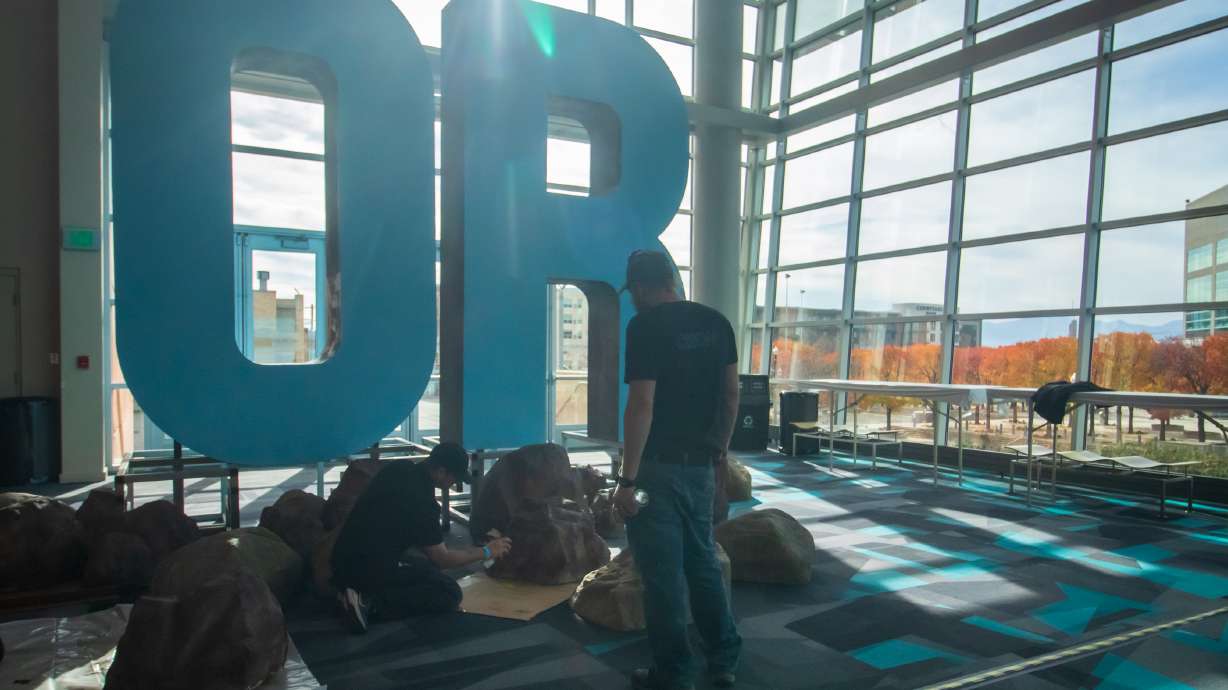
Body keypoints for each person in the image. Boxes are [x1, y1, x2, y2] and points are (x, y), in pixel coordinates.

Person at [614, 251, 743, 690]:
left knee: (662, 576)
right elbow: (731, 396)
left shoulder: (644, 326)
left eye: (632, 291)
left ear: (640, 287)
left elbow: (642, 405)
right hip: (701, 464)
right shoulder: (717, 323)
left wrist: (627, 480)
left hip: (655, 470)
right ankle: (723, 659)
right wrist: (718, 453)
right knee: (703, 562)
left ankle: (675, 673)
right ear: (671, 279)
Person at [331, 442, 512, 633]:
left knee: (425, 568)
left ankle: (349, 592)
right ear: (441, 471)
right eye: (454, 477)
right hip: (366, 569)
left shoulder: (399, 468)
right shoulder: (424, 504)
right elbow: (443, 559)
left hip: (341, 558)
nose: (454, 483)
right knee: (448, 591)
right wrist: (487, 551)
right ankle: (368, 603)